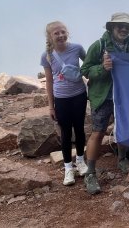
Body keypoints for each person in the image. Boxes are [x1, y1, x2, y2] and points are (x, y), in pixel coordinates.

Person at [81, 12, 129, 195]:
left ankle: (121, 159)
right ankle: (90, 172)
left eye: (127, 26)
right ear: (112, 27)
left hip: (126, 94)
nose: (124, 29)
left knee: (125, 125)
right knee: (98, 132)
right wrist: (102, 68)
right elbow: (86, 70)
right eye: (120, 26)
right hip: (103, 95)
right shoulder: (99, 45)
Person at [40, 21, 88, 186]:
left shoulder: (77, 48)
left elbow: (88, 65)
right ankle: (68, 168)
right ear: (50, 37)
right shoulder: (46, 56)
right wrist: (51, 106)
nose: (60, 35)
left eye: (63, 32)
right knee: (66, 133)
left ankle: (80, 161)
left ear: (67, 32)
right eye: (56, 33)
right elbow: (49, 81)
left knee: (80, 129)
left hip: (79, 95)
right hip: (61, 98)